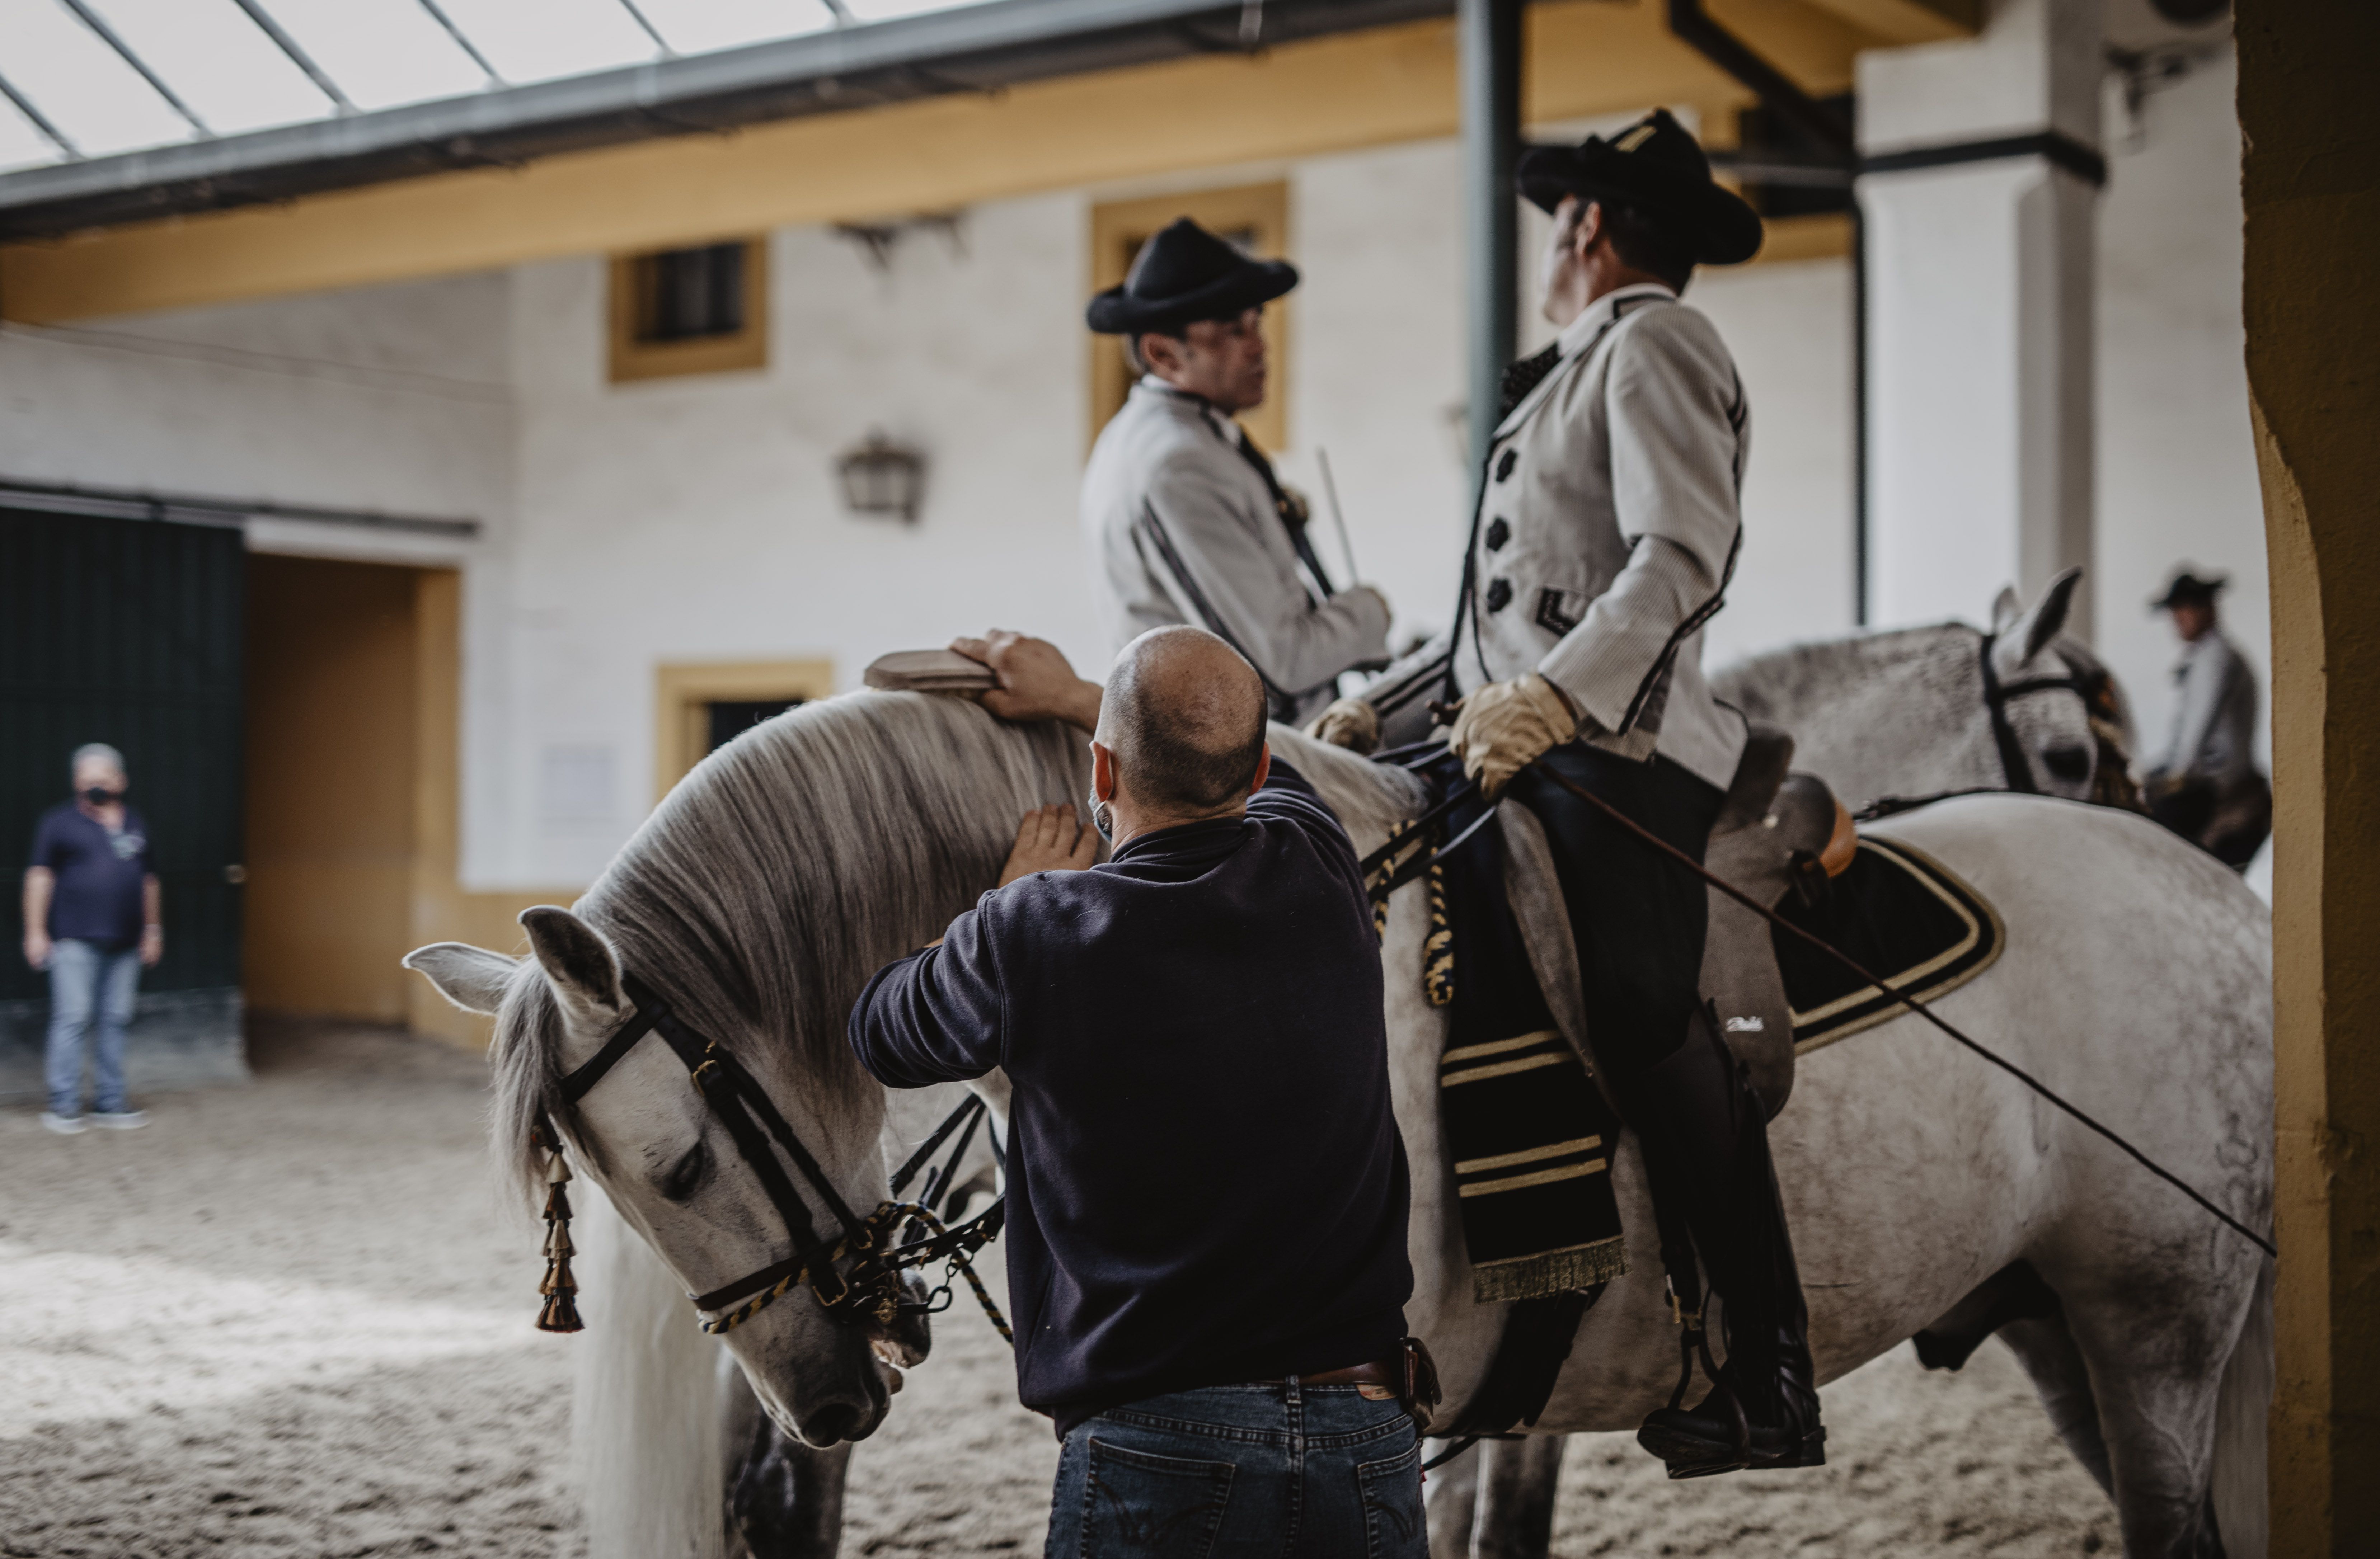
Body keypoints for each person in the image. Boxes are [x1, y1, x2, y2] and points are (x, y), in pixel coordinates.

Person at [1310, 109, 1821, 1476]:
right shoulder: (1575, 370)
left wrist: (1559, 702)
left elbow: (1681, 557)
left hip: (1625, 754)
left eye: (1558, 224)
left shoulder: (1651, 343)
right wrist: (1389, 700)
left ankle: (1771, 1366)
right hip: (1526, 732)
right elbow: (1502, 631)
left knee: (1647, 1016)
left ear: (1585, 228)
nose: (1551, 243)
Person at [849, 626, 1426, 1556]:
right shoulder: (1322, 864)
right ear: (1262, 764)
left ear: (1102, 775)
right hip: (1367, 1434)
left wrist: (1004, 901)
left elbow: (878, 1029)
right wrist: (1081, 693)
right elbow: (1272, 782)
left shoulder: (1029, 930)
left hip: (1159, 1443)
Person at [1081, 217, 1393, 724]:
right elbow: (1284, 665)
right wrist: (1369, 611)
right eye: (1232, 331)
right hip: (1254, 773)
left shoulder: (1167, 438)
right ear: (1162, 353)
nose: (1259, 346)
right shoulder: (1178, 463)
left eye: (1257, 323)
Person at [23, 743, 159, 1134]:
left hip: (127, 942)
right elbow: (39, 877)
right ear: (76, 782)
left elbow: (149, 880)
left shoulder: (136, 823)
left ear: (120, 780)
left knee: (116, 1019)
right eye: (86, 778)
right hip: (74, 939)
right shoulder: (59, 823)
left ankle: (111, 1103)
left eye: (102, 777)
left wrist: (153, 928)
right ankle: (63, 1106)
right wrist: (36, 931)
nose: (94, 785)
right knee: (74, 1017)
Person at [2144, 569, 2270, 867]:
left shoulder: (2215, 657)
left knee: (2150, 843)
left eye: (2183, 609)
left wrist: (2173, 778)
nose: (2177, 620)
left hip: (2213, 786)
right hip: (2207, 779)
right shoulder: (2208, 655)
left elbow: (2196, 732)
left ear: (2206, 608)